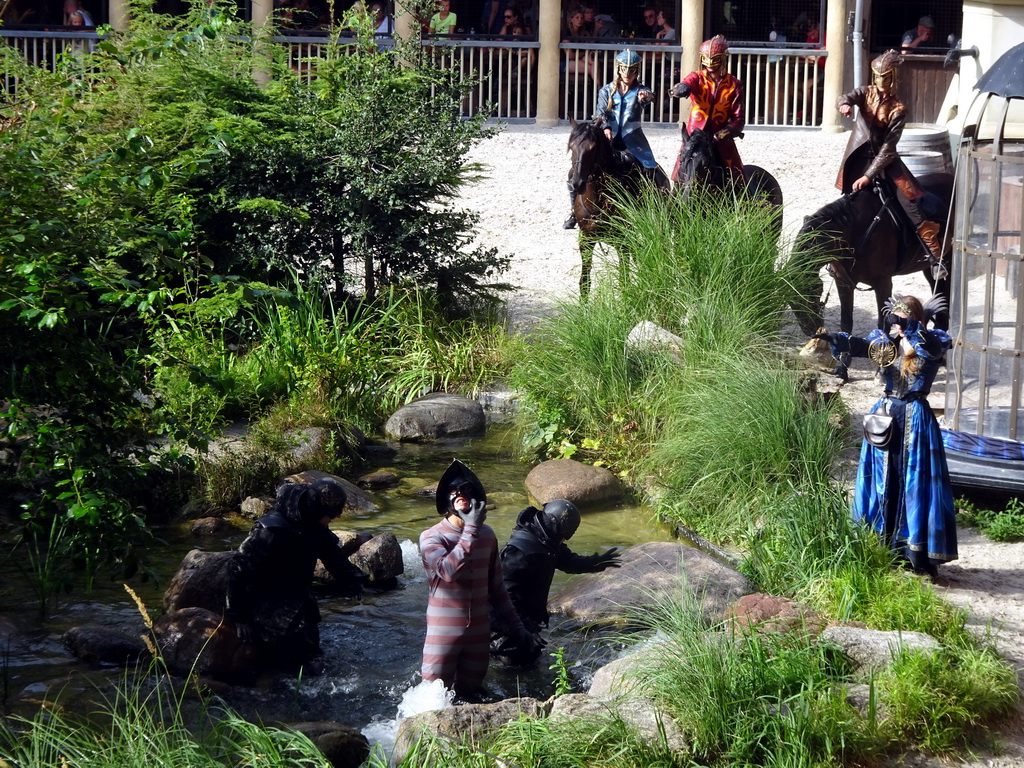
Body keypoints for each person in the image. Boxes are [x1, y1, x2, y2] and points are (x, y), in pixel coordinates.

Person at [813, 294, 957, 578]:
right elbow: (862, 346)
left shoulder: (931, 341)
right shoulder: (887, 343)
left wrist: (913, 325)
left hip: (916, 418)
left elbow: (929, 349)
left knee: (913, 482)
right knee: (882, 480)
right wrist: (836, 338)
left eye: (902, 317)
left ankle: (915, 554)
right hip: (886, 413)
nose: (897, 323)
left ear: (913, 317)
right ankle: (883, 545)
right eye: (895, 316)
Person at [419, 460, 538, 700]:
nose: (463, 497)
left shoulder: (487, 535)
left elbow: (496, 589)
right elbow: (447, 572)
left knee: (470, 697)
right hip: (444, 632)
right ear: (446, 500)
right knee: (432, 698)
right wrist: (471, 529)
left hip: (479, 634)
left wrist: (518, 629)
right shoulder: (432, 537)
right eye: (457, 494)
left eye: (467, 492)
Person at [224, 478, 364, 670]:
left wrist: (352, 579)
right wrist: (237, 616)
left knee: (314, 655)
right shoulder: (270, 530)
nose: (338, 517)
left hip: (298, 598)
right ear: (318, 509)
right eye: (333, 514)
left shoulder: (315, 522)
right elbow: (237, 570)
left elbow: (332, 555)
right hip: (265, 603)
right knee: (289, 667)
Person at [835, 49, 942, 261]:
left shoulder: (898, 109)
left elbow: (889, 148)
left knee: (910, 205)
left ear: (893, 77)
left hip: (886, 163)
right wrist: (844, 104)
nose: (881, 82)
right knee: (845, 203)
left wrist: (868, 176)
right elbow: (845, 97)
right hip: (858, 158)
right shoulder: (865, 92)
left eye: (885, 77)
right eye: (878, 77)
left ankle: (935, 255)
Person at [491, 500, 621, 660]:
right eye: (563, 536)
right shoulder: (518, 552)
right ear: (556, 527)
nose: (563, 541)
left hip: (524, 622)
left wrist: (596, 562)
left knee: (531, 660)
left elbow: (569, 561)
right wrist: (524, 629)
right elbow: (503, 597)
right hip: (505, 627)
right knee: (513, 669)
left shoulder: (547, 541)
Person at [563, 49, 667, 229]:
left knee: (649, 169)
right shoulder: (606, 90)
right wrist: (606, 127)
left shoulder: (640, 90)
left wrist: (647, 97)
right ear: (619, 69)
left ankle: (650, 207)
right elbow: (600, 112)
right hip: (608, 139)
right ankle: (574, 210)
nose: (628, 74)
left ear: (637, 71)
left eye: (632, 70)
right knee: (575, 172)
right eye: (625, 70)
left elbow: (650, 96)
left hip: (632, 141)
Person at [668, 34, 745, 183]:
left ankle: (745, 201)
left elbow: (738, 119)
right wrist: (682, 87)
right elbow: (688, 82)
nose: (710, 63)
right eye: (707, 58)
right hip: (695, 136)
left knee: (738, 176)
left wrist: (723, 134)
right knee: (680, 174)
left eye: (715, 59)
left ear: (722, 59)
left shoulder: (734, 84)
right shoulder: (697, 77)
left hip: (720, 137)